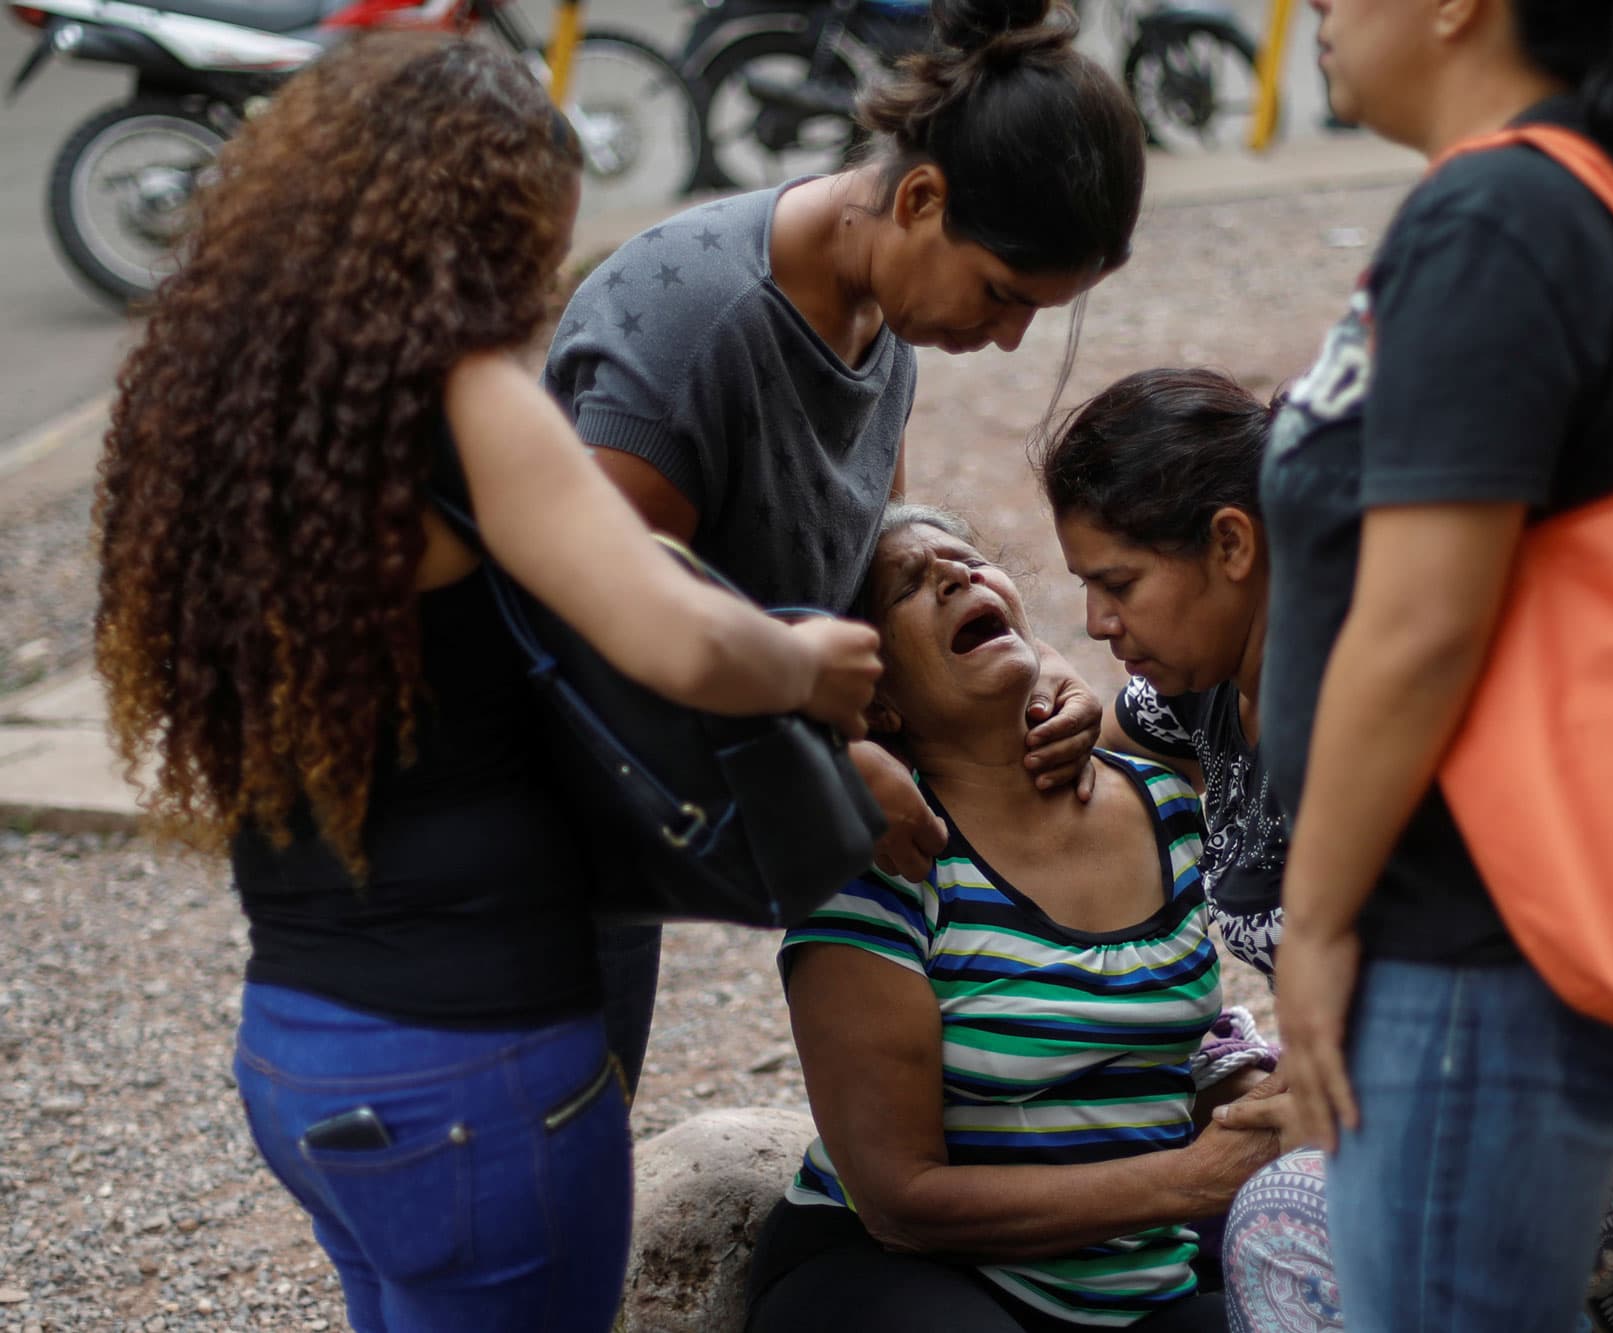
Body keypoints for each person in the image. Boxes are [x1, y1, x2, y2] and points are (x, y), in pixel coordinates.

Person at [93, 36, 882, 1333]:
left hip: (299, 1049)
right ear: (472, 226)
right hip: (476, 1075)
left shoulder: (226, 412)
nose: (547, 281)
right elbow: (674, 638)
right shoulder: (460, 398)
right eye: (537, 245)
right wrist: (806, 658)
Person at [1043, 367, 1613, 1333]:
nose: (1095, 622)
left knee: (1284, 1226)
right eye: (1086, 587)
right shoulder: (1209, 680)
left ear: (1232, 542)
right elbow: (1115, 729)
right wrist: (1060, 711)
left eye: (1117, 583)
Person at [1226, 0, 1613, 1324]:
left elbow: (1422, 627)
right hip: (1506, 935)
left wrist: (1315, 921)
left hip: (1469, 948)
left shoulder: (1496, 220)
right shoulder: (1547, 198)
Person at [542, 0, 1148, 1091]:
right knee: (528, 1183)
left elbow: (872, 568)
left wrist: (1018, 666)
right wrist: (815, 763)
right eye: (1003, 295)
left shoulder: (879, 323)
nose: (1006, 338)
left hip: (623, 843)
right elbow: (589, 638)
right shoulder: (692, 330)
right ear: (919, 198)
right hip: (521, 845)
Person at [746, 505, 1288, 1332]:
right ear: (879, 698)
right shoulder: (887, 856)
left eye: (967, 560)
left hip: (1136, 1284)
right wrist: (1193, 1180)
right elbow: (901, 1201)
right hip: (902, 1276)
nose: (956, 576)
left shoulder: (1168, 807)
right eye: (908, 587)